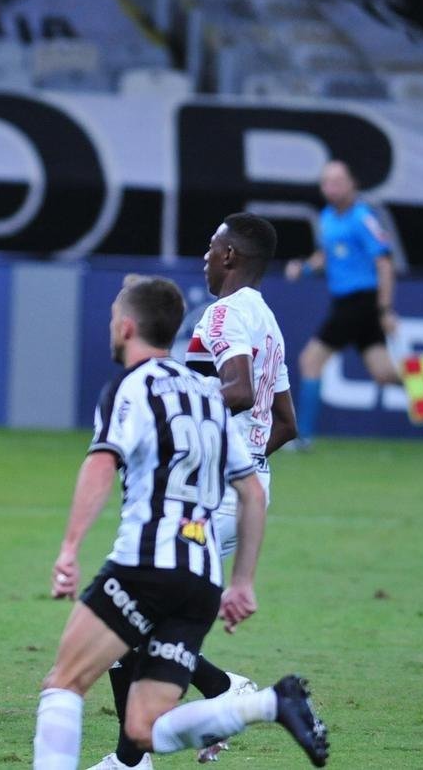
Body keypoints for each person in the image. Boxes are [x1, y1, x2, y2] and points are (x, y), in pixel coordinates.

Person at [33, 275, 328, 770]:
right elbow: (251, 490)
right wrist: (243, 583)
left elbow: (102, 464)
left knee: (63, 683)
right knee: (143, 729)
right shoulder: (207, 394)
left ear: (126, 328)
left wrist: (69, 549)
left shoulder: (130, 387)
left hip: (145, 563)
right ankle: (269, 703)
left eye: (112, 321)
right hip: (201, 579)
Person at [90, 215, 298, 769]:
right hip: (237, 495)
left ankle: (201, 712)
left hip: (210, 501)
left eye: (210, 248)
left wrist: (172, 398)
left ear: (229, 255)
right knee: (141, 617)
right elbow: (285, 421)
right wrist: (243, 468)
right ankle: (171, 730)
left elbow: (237, 389)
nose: (204, 258)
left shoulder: (226, 314)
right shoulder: (267, 320)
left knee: (123, 615)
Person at [285, 160, 399, 448]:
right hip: (348, 303)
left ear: (353, 183)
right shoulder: (326, 217)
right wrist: (305, 268)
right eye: (326, 182)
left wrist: (385, 309)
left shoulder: (363, 218)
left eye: (337, 181)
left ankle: (304, 437)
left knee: (310, 361)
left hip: (358, 302)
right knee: (384, 374)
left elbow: (384, 264)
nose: (331, 188)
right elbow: (325, 256)